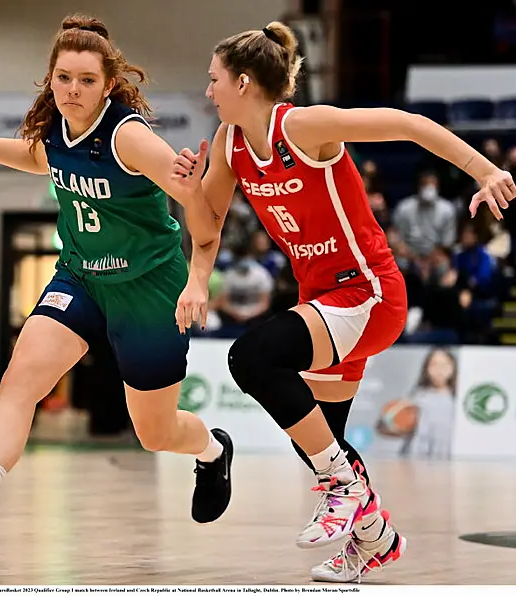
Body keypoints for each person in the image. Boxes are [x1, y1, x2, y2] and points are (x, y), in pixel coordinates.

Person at [171, 21, 515, 582]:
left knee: (252, 358)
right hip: (323, 300)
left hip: (369, 292)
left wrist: (484, 169)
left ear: (243, 83)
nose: (207, 91)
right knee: (318, 437)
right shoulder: (231, 146)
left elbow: (406, 124)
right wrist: (191, 241)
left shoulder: (303, 126)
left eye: (213, 80)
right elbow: (206, 227)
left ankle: (344, 489)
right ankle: (373, 540)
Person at [0, 14, 234, 564]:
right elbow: (36, 158)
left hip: (148, 287)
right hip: (81, 278)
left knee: (155, 432)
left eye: (86, 80)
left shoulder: (130, 136)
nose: (72, 90)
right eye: (63, 78)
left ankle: (212, 450)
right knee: (20, 381)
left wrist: (193, 190)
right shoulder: (57, 129)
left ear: (109, 84)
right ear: (51, 78)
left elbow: (204, 226)